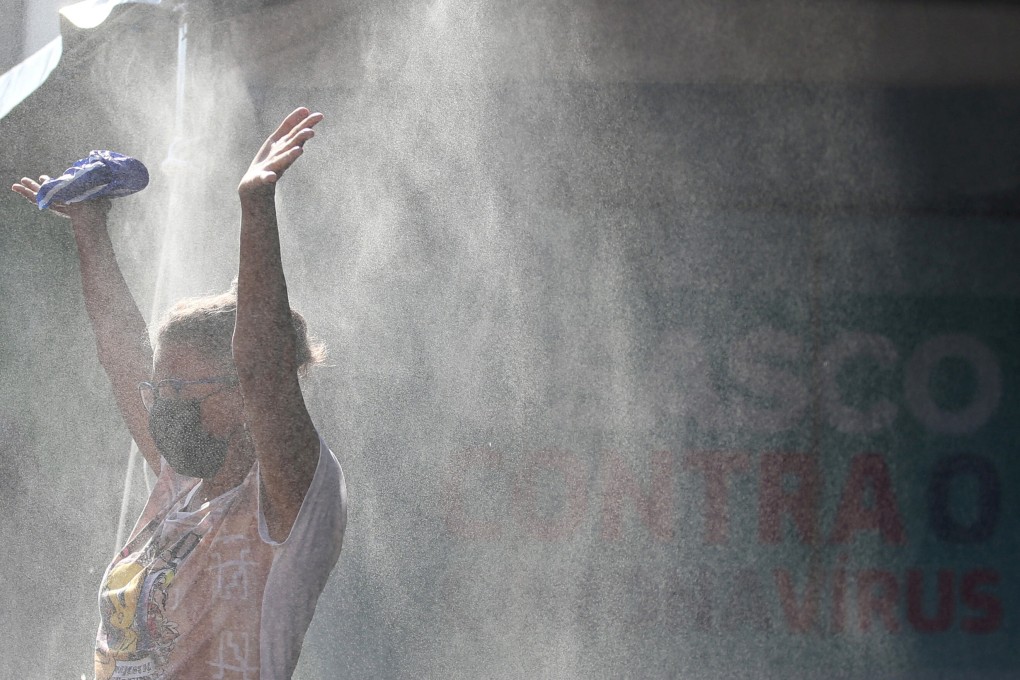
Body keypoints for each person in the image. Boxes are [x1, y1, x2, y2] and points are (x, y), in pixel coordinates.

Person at [12, 107, 347, 679]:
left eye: (181, 391)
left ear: (242, 394)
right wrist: (89, 227)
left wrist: (255, 210)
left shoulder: (287, 498)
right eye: (159, 389)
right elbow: (121, 352)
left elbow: (265, 365)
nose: (163, 408)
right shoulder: (181, 482)